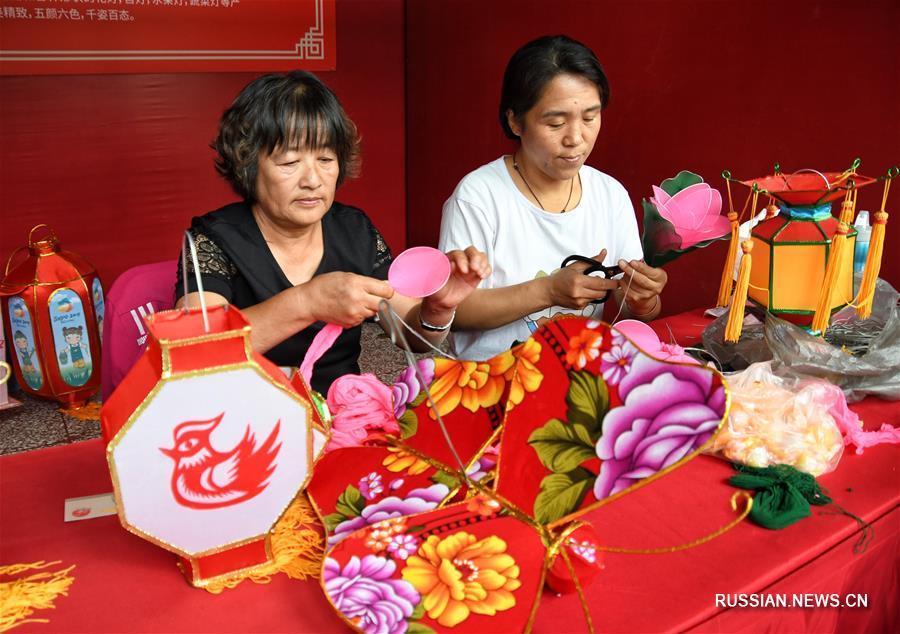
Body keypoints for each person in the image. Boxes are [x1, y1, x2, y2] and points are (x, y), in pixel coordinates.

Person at [176, 71, 489, 393]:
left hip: (343, 413)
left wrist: (437, 309)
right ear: (247, 164)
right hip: (249, 419)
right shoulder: (212, 238)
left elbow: (411, 336)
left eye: (325, 158)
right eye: (289, 162)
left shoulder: (354, 229)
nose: (312, 179)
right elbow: (196, 350)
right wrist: (306, 302)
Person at [439, 34, 668, 361]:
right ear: (515, 121)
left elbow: (637, 316)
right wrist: (547, 292)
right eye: (556, 123)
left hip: (581, 379)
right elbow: (452, 313)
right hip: (492, 382)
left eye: (590, 117)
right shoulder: (478, 196)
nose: (576, 138)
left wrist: (644, 300)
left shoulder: (610, 195)